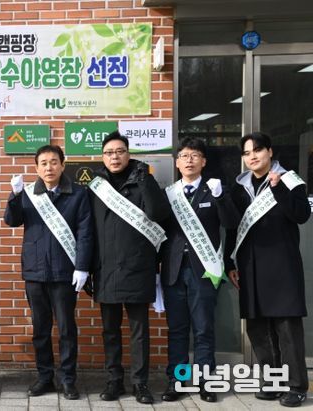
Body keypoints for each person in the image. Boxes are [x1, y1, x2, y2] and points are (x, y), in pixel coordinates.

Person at [225, 132, 310, 407]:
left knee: (287, 329)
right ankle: (273, 383)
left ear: (270, 152)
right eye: (247, 152)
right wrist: (229, 262)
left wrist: (278, 188)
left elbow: (301, 215)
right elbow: (233, 227)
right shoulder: (239, 188)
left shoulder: (289, 180)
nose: (252, 156)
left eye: (258, 150)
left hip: (282, 264)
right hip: (250, 265)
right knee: (258, 328)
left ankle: (297, 386)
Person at [3, 145, 93, 400]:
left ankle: (68, 379)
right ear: (36, 168)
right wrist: (14, 195)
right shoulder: (28, 193)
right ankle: (44, 377)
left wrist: (82, 267)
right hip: (35, 271)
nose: (49, 167)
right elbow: (12, 220)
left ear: (63, 165)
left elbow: (85, 233)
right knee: (40, 329)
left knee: (66, 329)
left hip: (65, 273)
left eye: (54, 162)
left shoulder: (78, 194)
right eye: (43, 163)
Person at [88, 131, 170, 404]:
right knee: (110, 331)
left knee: (139, 331)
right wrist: (87, 268)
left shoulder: (144, 179)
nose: (115, 157)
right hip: (106, 269)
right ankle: (114, 381)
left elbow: (158, 214)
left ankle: (140, 383)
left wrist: (144, 180)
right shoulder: (96, 187)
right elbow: (87, 230)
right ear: (103, 157)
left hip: (138, 267)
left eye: (120, 151)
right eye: (109, 152)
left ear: (128, 153)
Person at [159, 137, 239, 403]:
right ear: (177, 162)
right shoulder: (169, 194)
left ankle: (206, 382)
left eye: (194, 155)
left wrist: (220, 197)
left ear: (203, 161)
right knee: (177, 330)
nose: (189, 160)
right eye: (184, 155)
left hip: (204, 271)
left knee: (204, 330)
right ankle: (178, 380)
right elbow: (160, 233)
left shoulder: (214, 190)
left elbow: (230, 223)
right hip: (173, 272)